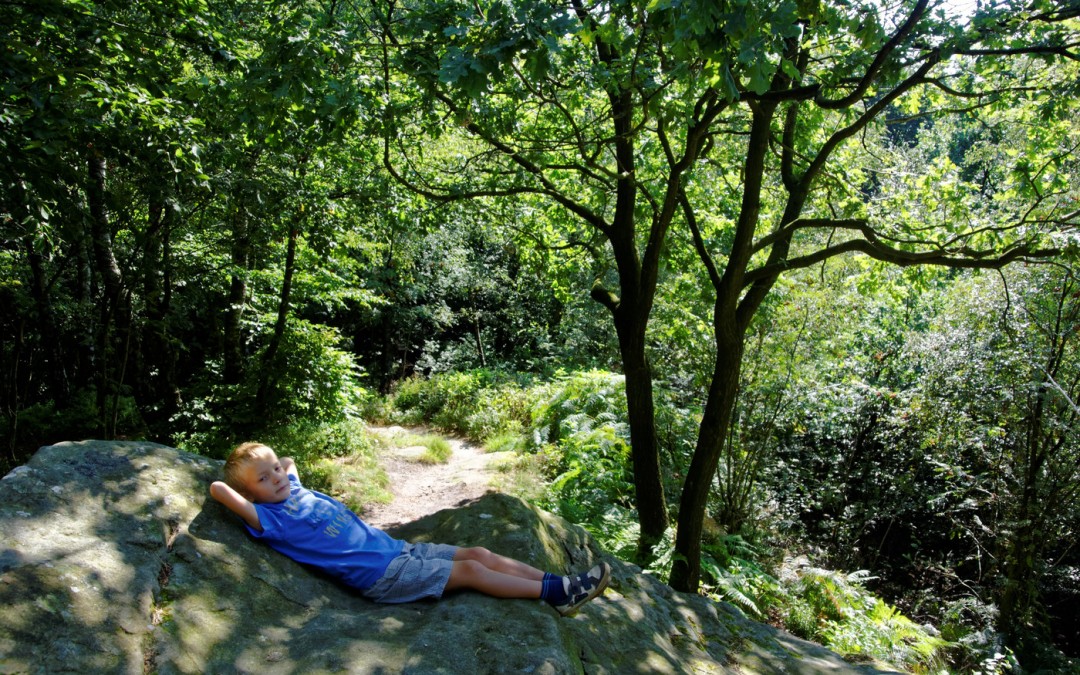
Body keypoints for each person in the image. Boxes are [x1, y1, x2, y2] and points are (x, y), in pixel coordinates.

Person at [209, 442, 610, 616]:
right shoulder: (272, 519)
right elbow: (220, 489)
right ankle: (555, 594)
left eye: (275, 468)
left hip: (398, 550)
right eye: (263, 479)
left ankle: (560, 582)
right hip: (382, 577)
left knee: (480, 554)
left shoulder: (291, 486)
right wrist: (246, 484)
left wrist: (274, 468)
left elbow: (291, 463)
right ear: (253, 495)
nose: (276, 477)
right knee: (470, 572)